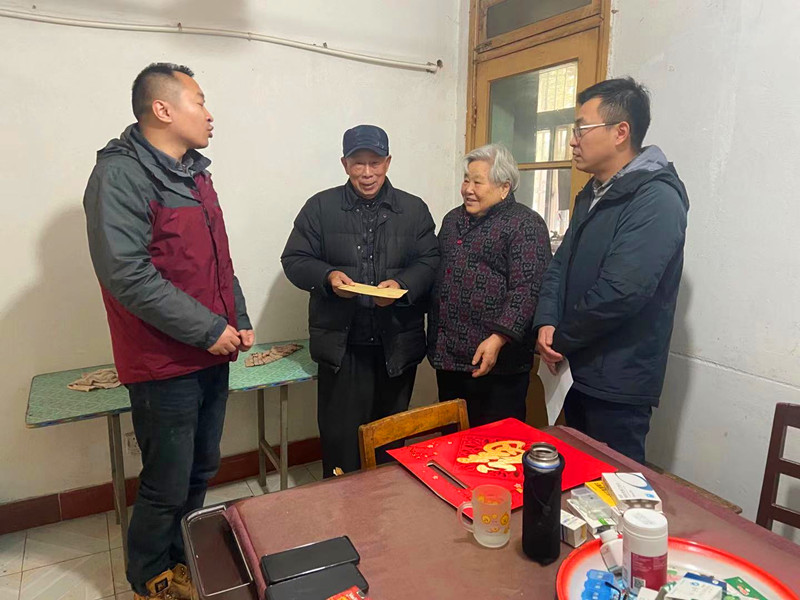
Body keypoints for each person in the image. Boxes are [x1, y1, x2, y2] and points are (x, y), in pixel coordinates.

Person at [83, 63, 253, 600]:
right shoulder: (120, 175)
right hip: (162, 362)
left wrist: (238, 318)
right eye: (199, 101)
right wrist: (209, 328)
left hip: (210, 350)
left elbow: (217, 261)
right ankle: (149, 576)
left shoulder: (195, 173)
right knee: (166, 480)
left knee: (201, 468)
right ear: (163, 109)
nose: (209, 114)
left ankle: (182, 559)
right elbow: (127, 275)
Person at [533, 77, 689, 464]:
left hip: (618, 381)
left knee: (614, 486)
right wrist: (547, 320)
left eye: (581, 129)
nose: (573, 141)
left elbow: (621, 292)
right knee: (577, 479)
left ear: (621, 132)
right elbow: (560, 265)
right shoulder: (593, 192)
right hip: (576, 368)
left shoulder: (656, 198)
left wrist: (562, 338)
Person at [281, 125, 439, 476]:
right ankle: (341, 506)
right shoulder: (320, 207)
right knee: (341, 445)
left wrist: (400, 286)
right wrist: (328, 278)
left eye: (375, 163)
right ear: (344, 164)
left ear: (388, 162)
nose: (367, 173)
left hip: (395, 345)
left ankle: (384, 506)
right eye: (358, 163)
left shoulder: (413, 210)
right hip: (342, 348)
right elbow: (294, 259)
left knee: (389, 444)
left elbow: (430, 261)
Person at [428, 143, 551, 426]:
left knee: (496, 441)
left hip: (499, 363)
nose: (468, 189)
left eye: (478, 182)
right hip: (450, 358)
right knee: (453, 438)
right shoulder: (453, 220)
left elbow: (528, 289)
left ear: (504, 187)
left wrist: (498, 338)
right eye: (466, 180)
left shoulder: (525, 224)